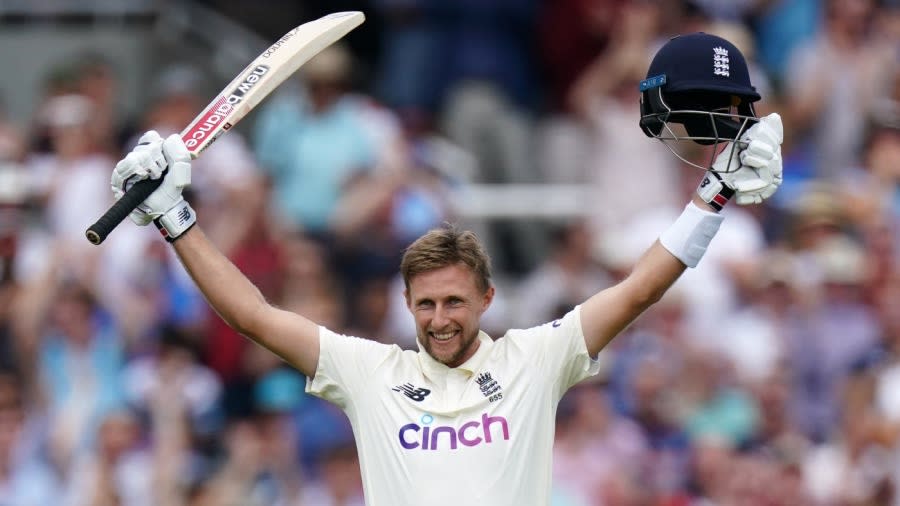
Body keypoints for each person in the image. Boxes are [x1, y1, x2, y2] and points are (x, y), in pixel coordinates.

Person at [104, 32, 783, 505]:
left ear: (487, 298)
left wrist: (712, 197)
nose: (439, 320)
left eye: (454, 303)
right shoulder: (374, 374)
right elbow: (252, 314)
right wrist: (175, 219)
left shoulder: (535, 359)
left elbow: (639, 289)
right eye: (425, 305)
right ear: (407, 304)